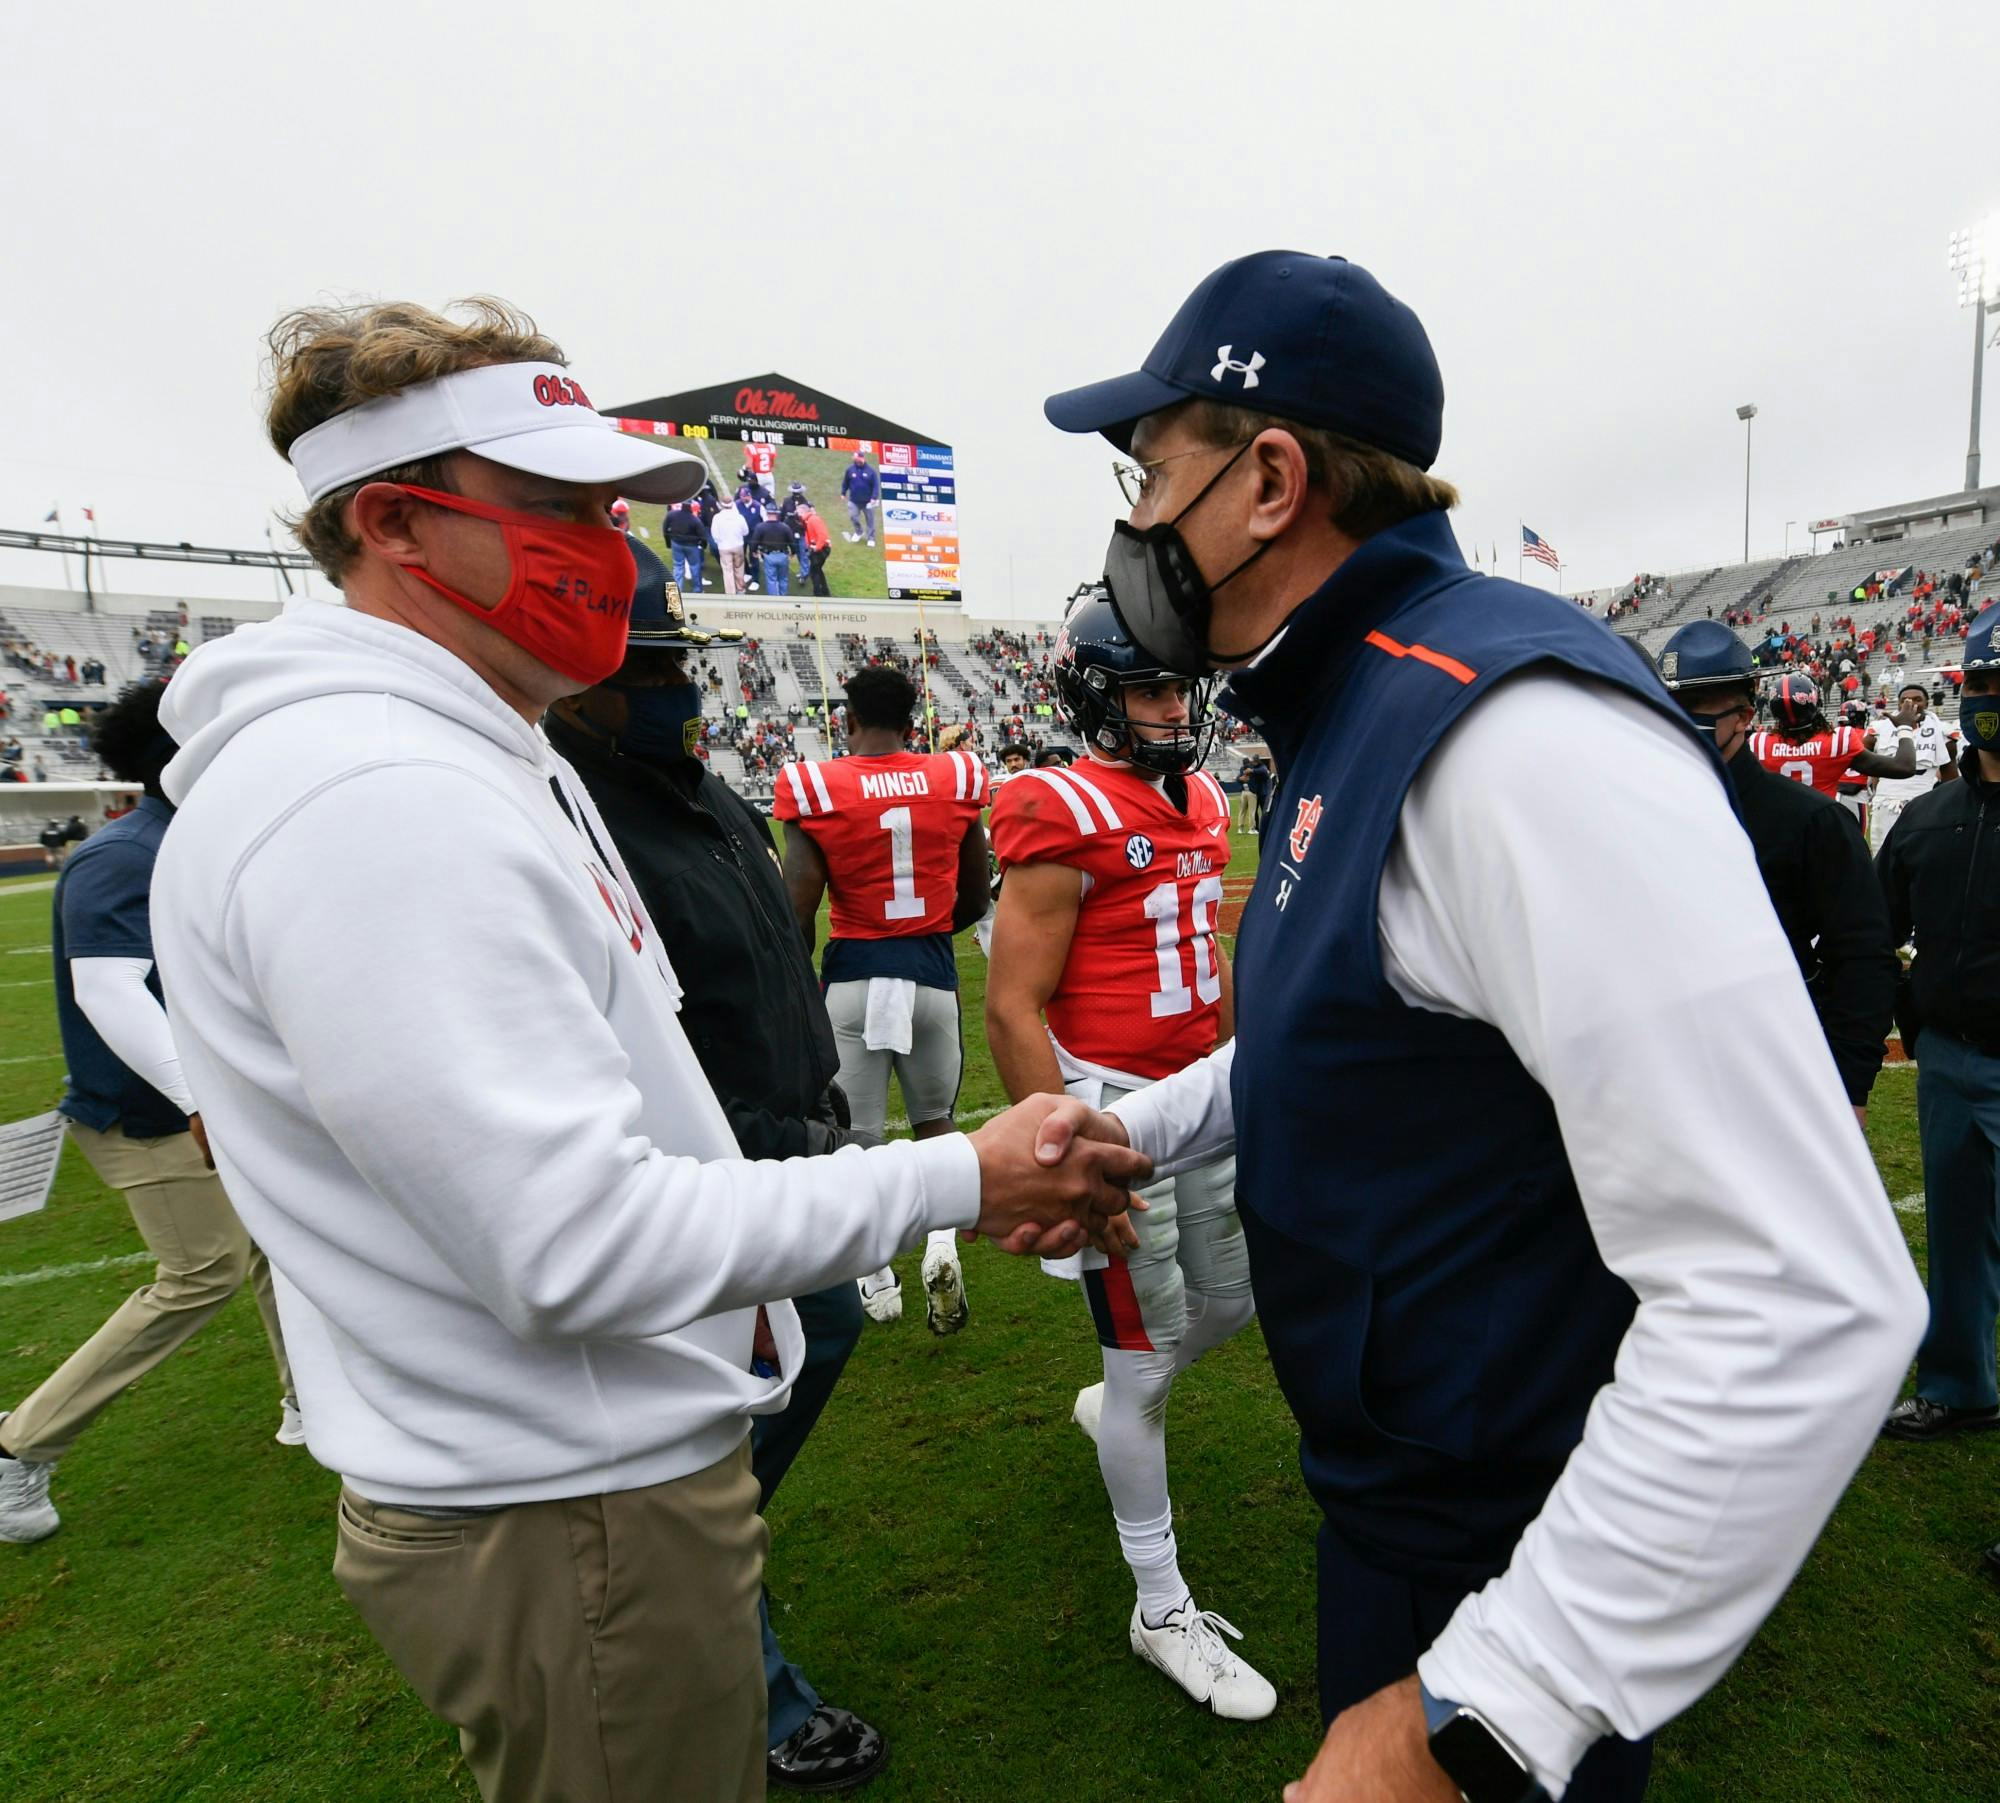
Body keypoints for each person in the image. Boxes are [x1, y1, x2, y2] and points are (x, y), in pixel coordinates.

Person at [143, 298, 1146, 1803]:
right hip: (566, 1498)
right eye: (553, 505)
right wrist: (957, 1173)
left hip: (575, 1471)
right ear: (393, 524)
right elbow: (573, 1241)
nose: (610, 546)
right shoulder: (375, 792)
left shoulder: (460, 749)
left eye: (609, 507)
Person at [1033, 250, 1923, 1802]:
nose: (1133, 513)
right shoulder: (1354, 694)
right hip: (1405, 1503)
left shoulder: (1508, 733)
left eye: (1150, 467)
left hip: (1499, 1542)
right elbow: (1365, 1028)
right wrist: (1146, 1123)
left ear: (1269, 479)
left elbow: (1801, 1290)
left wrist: (1490, 1703)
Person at [544, 538, 887, 1793]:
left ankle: (702, 1559)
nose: (677, 690)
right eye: (650, 670)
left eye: (680, 665)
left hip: (785, 1156)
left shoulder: (697, 792)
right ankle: (748, 1678)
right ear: (576, 678)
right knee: (699, 1445)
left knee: (816, 1349)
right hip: (703, 1186)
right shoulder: (565, 819)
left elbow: (766, 950)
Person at [986, 587, 1273, 1721]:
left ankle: (1115, 1406)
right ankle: (1157, 1606)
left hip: (1197, 1096)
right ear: (1095, 698)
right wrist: (1062, 1151)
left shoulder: (1199, 793)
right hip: (1111, 1114)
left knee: (1233, 1302)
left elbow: (1202, 950)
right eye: (1150, 690)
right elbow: (1013, 1007)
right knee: (1143, 1360)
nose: (1172, 709)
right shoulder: (1051, 804)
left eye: (1177, 688)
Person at [0, 678, 297, 1548]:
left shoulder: (189, 838)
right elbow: (108, 990)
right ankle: (19, 1445)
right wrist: (200, 1097)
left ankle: (307, 1400)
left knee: (281, 1241)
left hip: (201, 1104)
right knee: (200, 1272)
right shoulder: (125, 855)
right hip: (149, 1117)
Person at [776, 667, 991, 1333]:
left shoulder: (815, 786)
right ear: (912, 718)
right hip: (928, 976)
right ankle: (942, 1247)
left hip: (854, 977)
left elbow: (798, 903)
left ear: (847, 718)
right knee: (936, 1124)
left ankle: (875, 1278)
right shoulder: (953, 778)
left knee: (858, 1139)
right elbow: (978, 896)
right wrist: (922, 933)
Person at [1657, 622, 1896, 1126]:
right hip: (1665, 1065)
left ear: (1744, 715)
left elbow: (1861, 956)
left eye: (1695, 705)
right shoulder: (1647, 806)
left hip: (1771, 1062)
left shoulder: (1811, 820)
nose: (1676, 720)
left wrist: (1850, 1083)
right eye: (1668, 702)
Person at [1878, 607, 2000, 1447]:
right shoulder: (1928, 817)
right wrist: (1916, 1026)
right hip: (1952, 1057)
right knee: (1956, 1235)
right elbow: (1869, 931)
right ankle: (1959, 1385)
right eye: (1985, 683)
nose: (1993, 699)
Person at [1748, 671, 1916, 801]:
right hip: (1821, 829)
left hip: (1775, 834)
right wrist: (1905, 727)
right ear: (1816, 703)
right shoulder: (1838, 740)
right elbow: (1904, 767)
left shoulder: (1758, 743)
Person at [1868, 677, 1959, 851]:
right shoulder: (1879, 729)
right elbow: (1871, 764)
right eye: (1905, 700)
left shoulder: (1944, 731)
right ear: (1899, 704)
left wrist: (1951, 804)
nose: (1911, 703)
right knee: (1882, 855)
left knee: (1921, 854)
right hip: (1886, 801)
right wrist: (1877, 787)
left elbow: (1949, 774)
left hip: (1924, 800)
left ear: (1927, 702)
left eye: (1917, 699)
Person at [664, 499, 710, 594]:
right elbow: (703, 536)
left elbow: (665, 530)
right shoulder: (694, 520)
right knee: (694, 567)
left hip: (676, 544)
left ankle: (677, 593)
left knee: (677, 567)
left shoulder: (672, 515)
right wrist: (702, 546)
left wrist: (668, 543)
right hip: (691, 546)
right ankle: (698, 590)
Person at [710, 492, 750, 596]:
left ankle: (730, 594)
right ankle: (741, 590)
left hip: (724, 547)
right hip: (738, 546)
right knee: (739, 568)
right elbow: (746, 531)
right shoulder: (739, 517)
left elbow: (715, 535)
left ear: (722, 505)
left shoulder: (717, 518)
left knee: (727, 571)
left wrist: (721, 542)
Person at [750, 508, 796, 598]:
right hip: (783, 556)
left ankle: (774, 600)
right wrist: (793, 552)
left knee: (771, 580)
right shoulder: (785, 527)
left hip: (769, 556)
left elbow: (754, 541)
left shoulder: (761, 527)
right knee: (783, 578)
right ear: (777, 514)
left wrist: (754, 551)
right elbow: (792, 541)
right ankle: (783, 598)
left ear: (767, 514)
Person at [839, 448, 879, 547]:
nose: (855, 460)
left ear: (862, 458)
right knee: (853, 517)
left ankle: (871, 538)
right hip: (854, 500)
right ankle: (859, 532)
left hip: (868, 501)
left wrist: (874, 497)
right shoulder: (850, 470)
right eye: (854, 458)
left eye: (856, 458)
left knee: (870, 520)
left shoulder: (871, 471)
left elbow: (875, 486)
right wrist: (843, 493)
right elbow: (846, 482)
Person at [797, 500, 832, 597]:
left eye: (799, 513)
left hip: (820, 550)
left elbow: (822, 535)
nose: (798, 515)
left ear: (804, 512)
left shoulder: (813, 520)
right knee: (817, 570)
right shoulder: (809, 520)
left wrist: (817, 547)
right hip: (819, 549)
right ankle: (825, 591)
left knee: (814, 572)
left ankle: (818, 593)